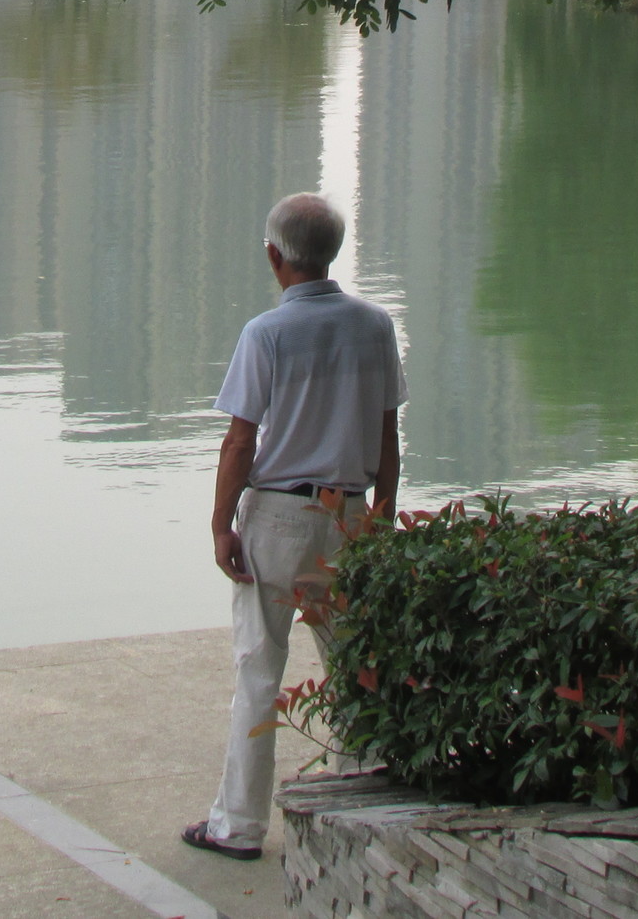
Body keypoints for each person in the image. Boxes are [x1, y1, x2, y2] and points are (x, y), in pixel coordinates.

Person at [183, 191, 405, 863]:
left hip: (278, 516)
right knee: (353, 667)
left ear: (274, 257)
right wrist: (382, 519)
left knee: (259, 671)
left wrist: (222, 524)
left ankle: (239, 826)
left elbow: (239, 442)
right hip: (350, 514)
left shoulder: (265, 333)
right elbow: (389, 434)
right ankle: (360, 807)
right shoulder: (376, 326)